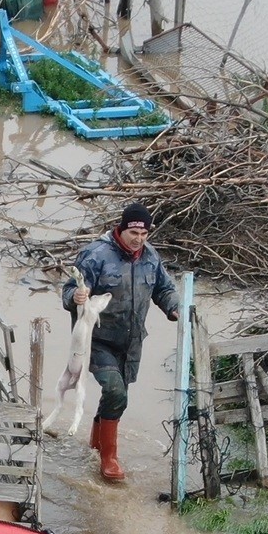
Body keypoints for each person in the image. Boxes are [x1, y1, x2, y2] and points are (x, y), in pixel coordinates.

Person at [62, 202, 179, 482]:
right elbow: (70, 288)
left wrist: (175, 308)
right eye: (133, 232)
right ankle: (109, 458)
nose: (138, 239)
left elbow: (164, 289)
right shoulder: (96, 255)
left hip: (131, 341)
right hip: (98, 339)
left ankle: (95, 443)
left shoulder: (150, 257)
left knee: (118, 397)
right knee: (116, 391)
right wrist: (75, 297)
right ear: (122, 229)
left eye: (144, 233)